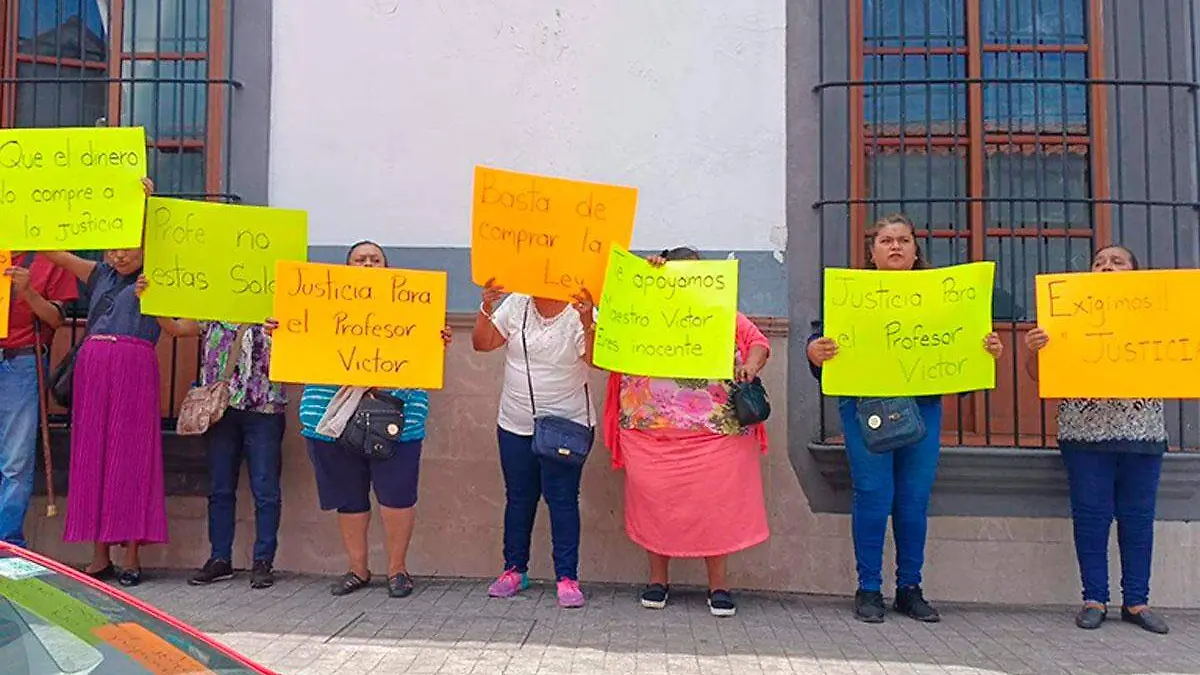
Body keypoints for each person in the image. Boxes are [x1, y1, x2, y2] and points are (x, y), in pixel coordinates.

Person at [806, 213, 1004, 623]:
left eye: (903, 240)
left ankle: (910, 589)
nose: (895, 246)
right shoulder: (850, 295)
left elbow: (961, 346)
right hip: (866, 410)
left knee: (913, 501)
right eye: (885, 240)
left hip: (922, 409)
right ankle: (869, 589)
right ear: (871, 252)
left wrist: (986, 351)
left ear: (916, 252)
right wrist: (815, 352)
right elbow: (819, 338)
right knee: (873, 497)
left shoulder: (942, 297)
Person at [267, 240, 451, 599]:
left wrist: (435, 338)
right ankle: (358, 569)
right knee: (348, 497)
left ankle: (397, 570)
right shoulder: (316, 304)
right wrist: (282, 331)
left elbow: (423, 356)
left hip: (398, 416)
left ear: (388, 267)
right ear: (345, 268)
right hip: (329, 415)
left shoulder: (410, 306)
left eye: (375, 259)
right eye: (359, 259)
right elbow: (296, 351)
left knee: (397, 496)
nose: (367, 264)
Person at [601, 246, 770, 618]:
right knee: (654, 506)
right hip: (651, 431)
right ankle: (657, 580)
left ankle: (719, 586)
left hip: (715, 432)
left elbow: (757, 342)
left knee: (716, 508)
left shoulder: (722, 312)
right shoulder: (641, 310)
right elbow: (606, 332)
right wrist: (642, 280)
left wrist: (751, 367)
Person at [1024, 245, 1170, 634]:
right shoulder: (1068, 313)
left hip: (1143, 432)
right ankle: (1094, 599)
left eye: (1117, 261)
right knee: (1091, 517)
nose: (1106, 266)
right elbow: (1039, 375)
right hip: (1085, 433)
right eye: (1099, 262)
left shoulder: (1157, 315)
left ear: (1135, 273)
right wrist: (1036, 349)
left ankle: (1137, 601)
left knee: (1138, 519)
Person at [46, 177, 164, 587]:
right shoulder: (98, 274)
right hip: (94, 372)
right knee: (93, 454)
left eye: (129, 244)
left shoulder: (161, 280)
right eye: (113, 245)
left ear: (147, 246)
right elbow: (54, 252)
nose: (120, 253)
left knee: (132, 456)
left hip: (134, 371)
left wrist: (147, 203)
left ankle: (131, 554)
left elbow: (184, 328)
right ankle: (99, 555)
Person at [132, 282, 287, 591]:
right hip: (220, 411)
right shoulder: (212, 307)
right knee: (219, 487)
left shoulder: (280, 309)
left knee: (265, 488)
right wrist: (151, 299)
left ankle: (263, 560)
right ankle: (219, 558)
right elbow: (176, 328)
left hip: (265, 407)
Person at [471, 276, 595, 609]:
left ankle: (567, 577)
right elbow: (482, 344)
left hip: (566, 425)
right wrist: (487, 307)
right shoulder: (517, 302)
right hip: (515, 421)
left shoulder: (578, 306)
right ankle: (514, 570)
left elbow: (598, 361)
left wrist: (587, 319)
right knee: (519, 498)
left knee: (563, 500)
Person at [0, 251, 79, 547]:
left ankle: (6, 545)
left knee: (15, 461)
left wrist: (28, 292)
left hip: (20, 361)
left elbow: (56, 319)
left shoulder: (51, 257)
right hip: (17, 364)